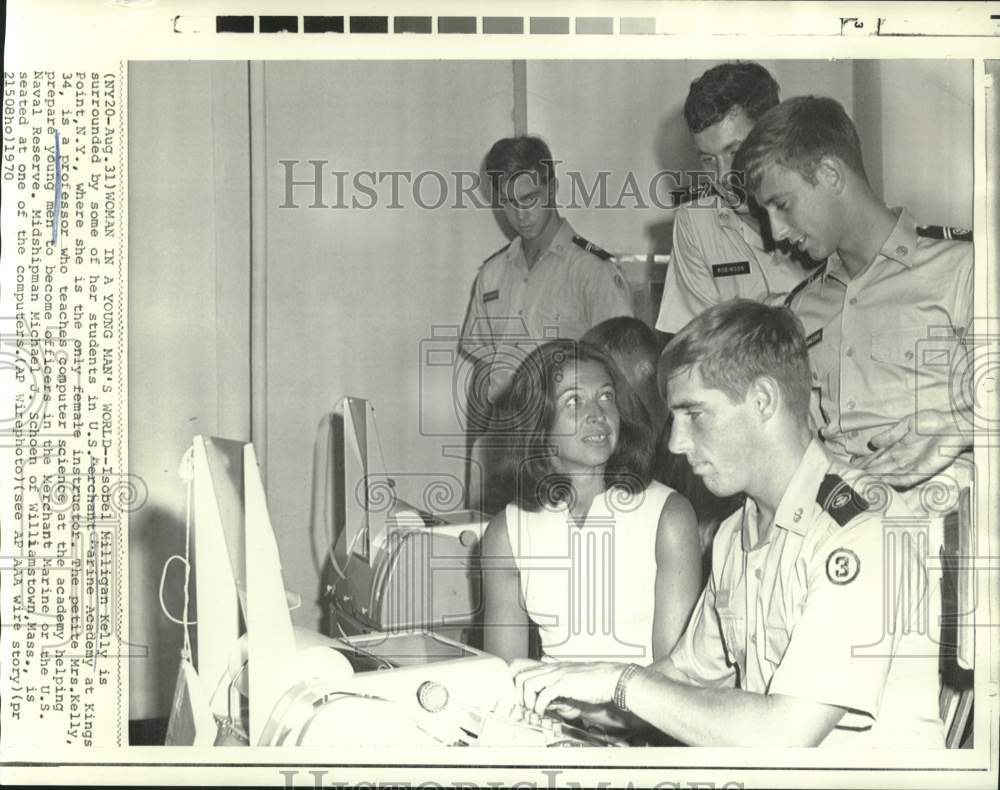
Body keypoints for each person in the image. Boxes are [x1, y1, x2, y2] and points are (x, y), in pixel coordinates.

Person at [508, 301, 944, 748]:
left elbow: (786, 734)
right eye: (674, 419)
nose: (675, 443)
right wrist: (556, 699)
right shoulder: (738, 532)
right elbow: (684, 676)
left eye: (694, 414)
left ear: (762, 401)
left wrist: (621, 682)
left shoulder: (861, 531)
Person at [734, 95, 974, 491]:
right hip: (836, 525)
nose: (775, 232)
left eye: (783, 205)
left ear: (830, 173)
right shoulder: (801, 308)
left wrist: (963, 428)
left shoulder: (963, 270)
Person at [481, 339, 701, 670]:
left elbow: (674, 682)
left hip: (646, 716)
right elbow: (503, 673)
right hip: (550, 715)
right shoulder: (507, 532)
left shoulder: (668, 515)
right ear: (538, 422)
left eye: (606, 397)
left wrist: (590, 708)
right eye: (574, 401)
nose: (597, 415)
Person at [460, 135, 634, 406]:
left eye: (529, 198)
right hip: (505, 434)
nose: (520, 214)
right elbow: (483, 374)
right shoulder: (491, 275)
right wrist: (477, 447)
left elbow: (622, 374)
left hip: (567, 434)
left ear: (552, 188)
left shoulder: (593, 271)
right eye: (508, 202)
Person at [655, 62, 814, 336]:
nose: (723, 176)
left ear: (773, 135)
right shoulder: (695, 223)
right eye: (708, 159)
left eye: (735, 151)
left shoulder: (817, 203)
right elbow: (698, 346)